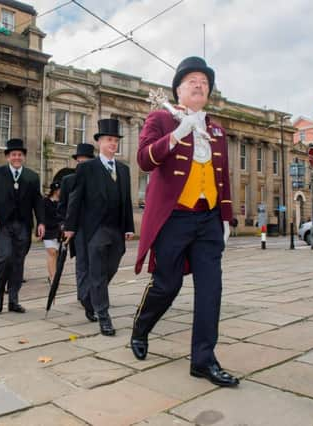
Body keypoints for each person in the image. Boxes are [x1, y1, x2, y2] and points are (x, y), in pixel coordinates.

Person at [130, 56, 239, 387]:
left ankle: (203, 361)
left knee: (211, 290)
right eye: (192, 80)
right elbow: (144, 160)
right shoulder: (161, 119)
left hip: (207, 218)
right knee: (168, 284)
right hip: (173, 217)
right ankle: (141, 328)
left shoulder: (216, 129)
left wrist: (225, 216)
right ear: (178, 89)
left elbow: (222, 176)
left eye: (204, 82)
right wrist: (177, 133)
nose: (199, 85)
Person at [64, 118, 135, 336]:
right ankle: (103, 316)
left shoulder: (123, 170)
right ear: (100, 142)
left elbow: (126, 200)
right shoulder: (87, 168)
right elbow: (75, 199)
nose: (112, 144)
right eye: (108, 140)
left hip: (116, 229)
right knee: (96, 272)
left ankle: (87, 297)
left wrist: (129, 227)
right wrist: (70, 226)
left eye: (115, 140)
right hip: (94, 229)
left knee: (110, 269)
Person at [0, 138, 45, 314]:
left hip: (23, 226)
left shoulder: (32, 177)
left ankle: (13, 300)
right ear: (7, 157)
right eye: (13, 155)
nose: (17, 157)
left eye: (20, 155)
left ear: (24, 157)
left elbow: (38, 201)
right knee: (5, 257)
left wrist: (41, 222)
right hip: (3, 225)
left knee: (18, 262)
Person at [58, 143, 97, 322]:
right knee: (82, 264)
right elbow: (62, 207)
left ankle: (93, 294)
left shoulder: (99, 179)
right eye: (79, 162)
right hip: (78, 229)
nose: (82, 164)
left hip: (97, 228)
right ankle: (85, 299)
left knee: (97, 266)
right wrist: (65, 226)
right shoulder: (69, 181)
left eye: (86, 161)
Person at [43, 181, 62, 284]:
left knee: (57, 255)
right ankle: (53, 277)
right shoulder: (45, 201)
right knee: (52, 253)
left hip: (59, 232)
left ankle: (53, 273)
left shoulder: (62, 202)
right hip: (49, 231)